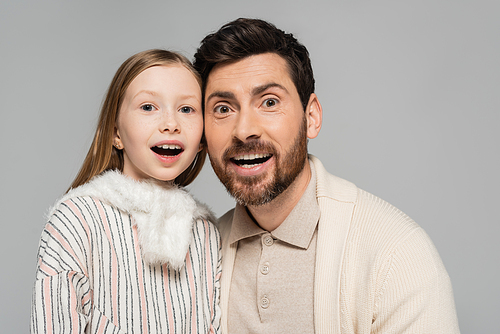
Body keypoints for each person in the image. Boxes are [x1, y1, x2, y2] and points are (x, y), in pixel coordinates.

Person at [194, 18, 460, 333]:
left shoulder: (396, 254)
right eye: (223, 109)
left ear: (312, 117)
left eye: (269, 102)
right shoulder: (200, 255)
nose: (244, 130)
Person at [31, 49, 221, 333]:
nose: (171, 124)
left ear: (203, 138)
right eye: (148, 107)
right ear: (115, 132)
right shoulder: (77, 220)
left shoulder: (207, 233)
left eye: (186, 109)